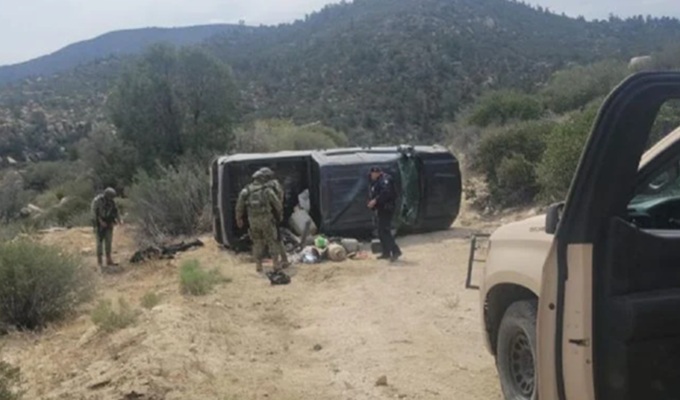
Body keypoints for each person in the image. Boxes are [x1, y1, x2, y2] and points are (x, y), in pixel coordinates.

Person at [235, 170, 283, 273]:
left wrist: (239, 219)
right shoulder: (267, 191)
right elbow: (278, 205)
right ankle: (276, 265)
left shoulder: (246, 191)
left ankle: (258, 265)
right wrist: (279, 216)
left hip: (253, 221)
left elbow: (239, 207)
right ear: (263, 178)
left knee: (257, 243)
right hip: (266, 220)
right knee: (272, 241)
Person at [258, 167, 291, 268]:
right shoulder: (276, 185)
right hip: (275, 214)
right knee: (278, 238)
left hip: (269, 216)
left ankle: (276, 263)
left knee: (272, 240)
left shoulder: (267, 188)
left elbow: (275, 202)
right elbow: (280, 200)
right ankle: (284, 259)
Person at [368, 166, 402, 262]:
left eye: (372, 174)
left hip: (387, 208)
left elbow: (386, 193)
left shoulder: (385, 180)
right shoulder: (377, 181)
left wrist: (375, 201)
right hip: (381, 208)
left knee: (384, 230)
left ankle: (395, 251)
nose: (371, 176)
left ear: (377, 173)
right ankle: (386, 252)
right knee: (380, 231)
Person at [91, 187, 120, 271]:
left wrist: (118, 220)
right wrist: (99, 222)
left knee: (108, 242)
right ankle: (99, 262)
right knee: (99, 243)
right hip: (99, 225)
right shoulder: (97, 201)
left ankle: (109, 260)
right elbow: (94, 213)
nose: (112, 198)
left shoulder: (112, 202)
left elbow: (115, 211)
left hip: (109, 223)